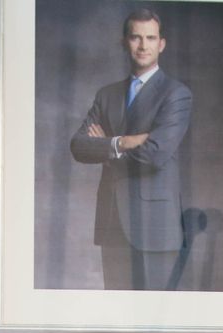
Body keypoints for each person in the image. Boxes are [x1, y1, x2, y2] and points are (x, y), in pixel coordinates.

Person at [68, 7, 192, 291]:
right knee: (118, 317)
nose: (143, 45)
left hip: (156, 227)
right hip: (113, 223)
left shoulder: (176, 94)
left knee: (152, 320)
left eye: (150, 38)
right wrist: (122, 142)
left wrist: (106, 148)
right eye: (136, 37)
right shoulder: (107, 94)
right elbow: (78, 146)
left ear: (161, 44)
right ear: (124, 42)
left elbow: (155, 154)